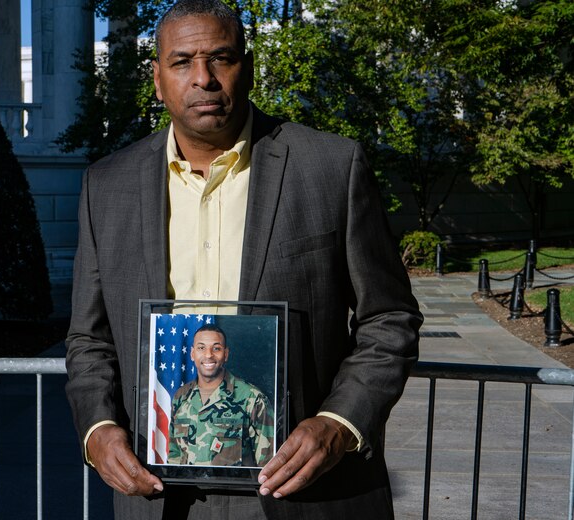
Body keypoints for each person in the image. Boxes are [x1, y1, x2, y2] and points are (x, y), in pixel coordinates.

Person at [65, 0, 423, 517]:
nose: (203, 78)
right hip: (160, 494)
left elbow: (389, 318)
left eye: (221, 59)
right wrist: (97, 430)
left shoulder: (331, 167)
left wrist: (339, 425)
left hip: (304, 488)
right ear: (158, 78)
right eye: (182, 61)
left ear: (248, 68)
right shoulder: (107, 185)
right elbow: (88, 339)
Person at [168, 325, 273, 467]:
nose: (208, 354)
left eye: (216, 348)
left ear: (226, 354)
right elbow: (174, 456)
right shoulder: (181, 397)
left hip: (232, 488)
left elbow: (268, 464)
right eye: (201, 348)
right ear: (192, 354)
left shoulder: (252, 398)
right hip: (188, 488)